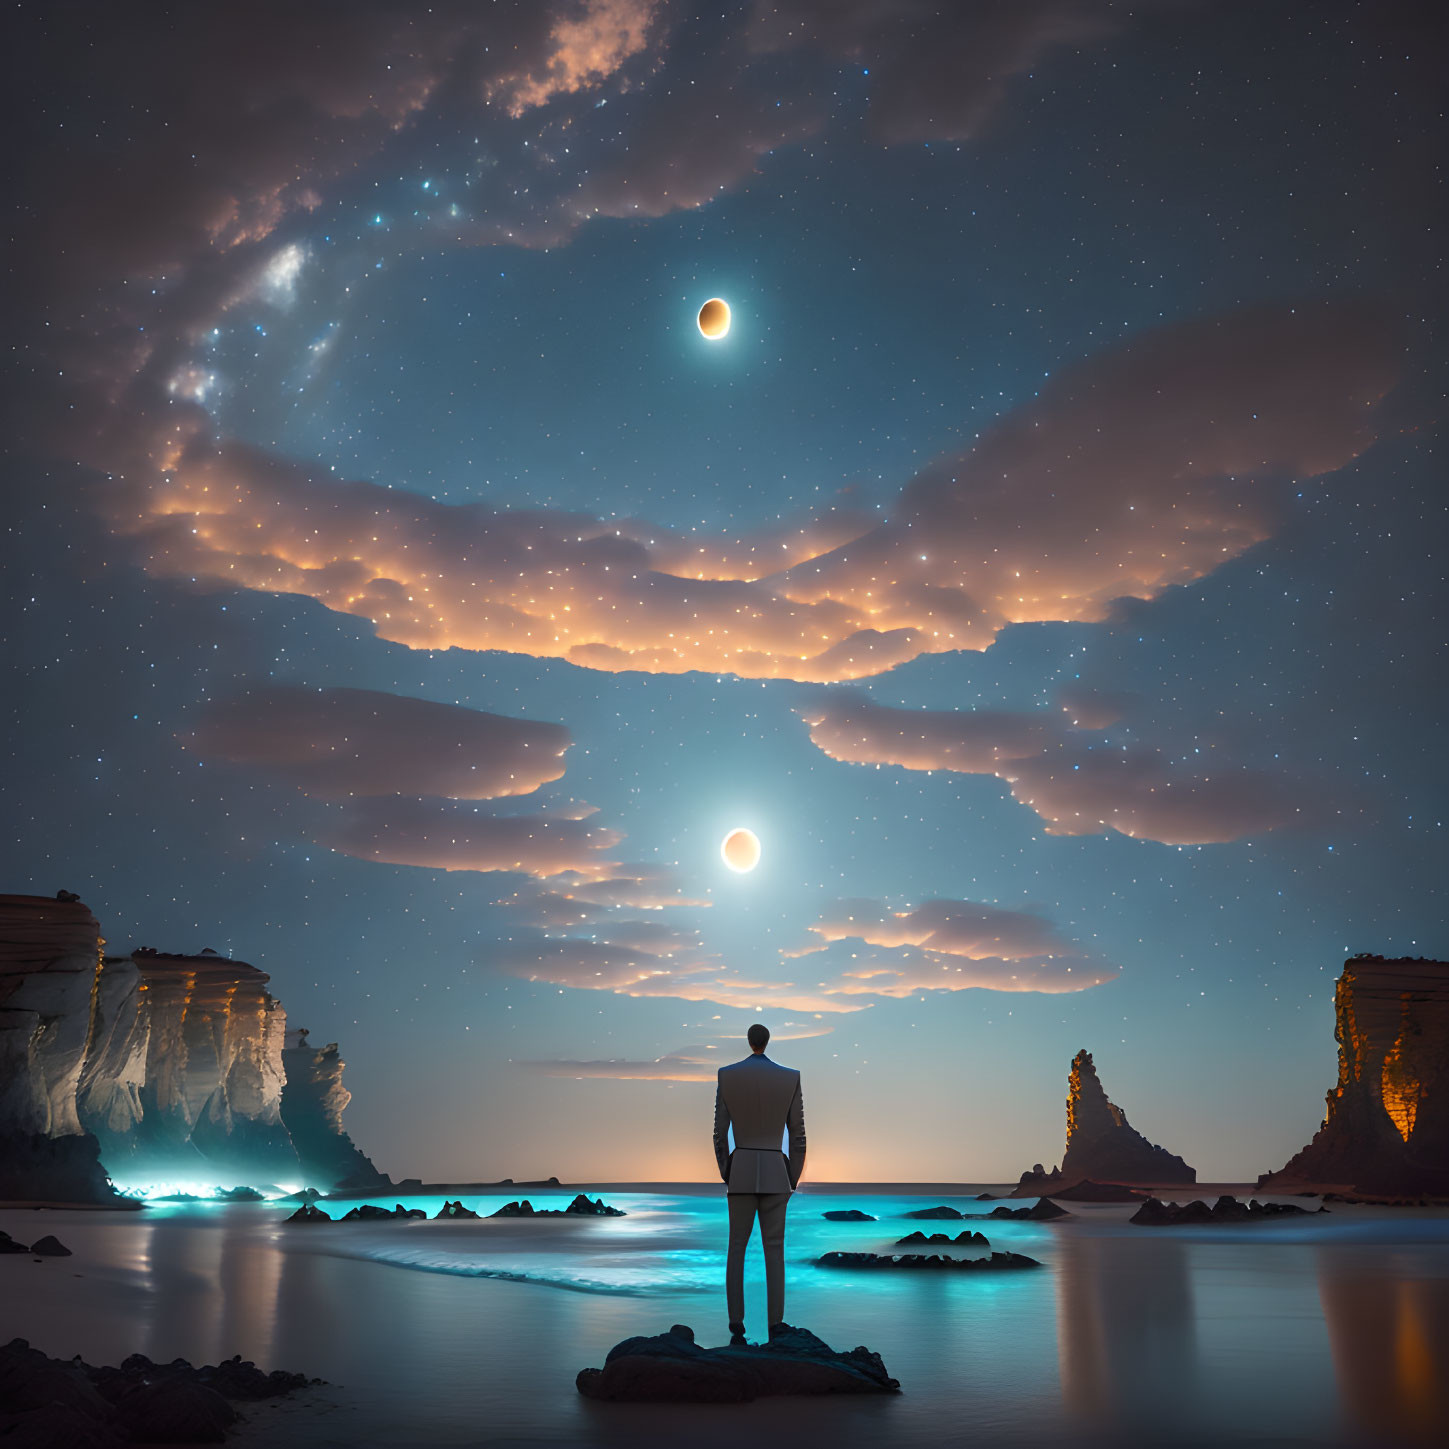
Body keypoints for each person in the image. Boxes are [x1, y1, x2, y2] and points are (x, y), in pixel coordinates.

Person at [712, 1022, 807, 1345]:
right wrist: (791, 1176)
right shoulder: (790, 1077)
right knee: (775, 1251)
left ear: (748, 1040)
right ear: (767, 1041)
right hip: (775, 1172)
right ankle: (776, 1324)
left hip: (740, 1170)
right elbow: (798, 1135)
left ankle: (736, 1324)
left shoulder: (727, 1075)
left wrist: (728, 1170)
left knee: (736, 1249)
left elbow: (718, 1133)